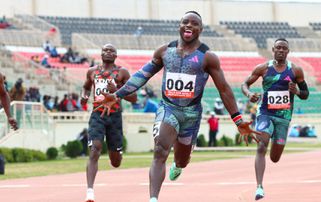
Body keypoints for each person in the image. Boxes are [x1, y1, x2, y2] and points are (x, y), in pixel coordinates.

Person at [94, 11, 259, 202]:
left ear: (201, 29)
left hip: (191, 114)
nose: (189, 26)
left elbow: (224, 89)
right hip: (168, 108)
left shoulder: (207, 57)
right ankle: (153, 198)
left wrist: (238, 120)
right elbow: (142, 75)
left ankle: (179, 165)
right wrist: (116, 95)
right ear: (179, 26)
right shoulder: (165, 52)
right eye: (185, 22)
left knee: (182, 159)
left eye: (194, 23)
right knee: (160, 149)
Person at [241, 38, 309, 200]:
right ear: (273, 50)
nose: (281, 50)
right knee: (261, 146)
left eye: (284, 48)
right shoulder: (263, 68)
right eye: (278, 48)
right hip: (265, 113)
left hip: (283, 118)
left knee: (275, 157)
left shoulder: (296, 71)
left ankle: (274, 143)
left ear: (288, 51)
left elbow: (306, 94)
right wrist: (249, 94)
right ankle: (259, 187)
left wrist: (297, 92)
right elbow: (245, 84)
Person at [80, 44, 137, 202]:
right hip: (97, 114)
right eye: (105, 50)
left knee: (115, 162)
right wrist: (84, 97)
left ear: (116, 55)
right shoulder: (92, 71)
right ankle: (90, 191)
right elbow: (85, 88)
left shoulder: (122, 72)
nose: (108, 52)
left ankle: (117, 153)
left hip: (114, 116)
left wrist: (119, 88)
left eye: (111, 51)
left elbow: (134, 98)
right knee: (95, 150)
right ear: (101, 53)